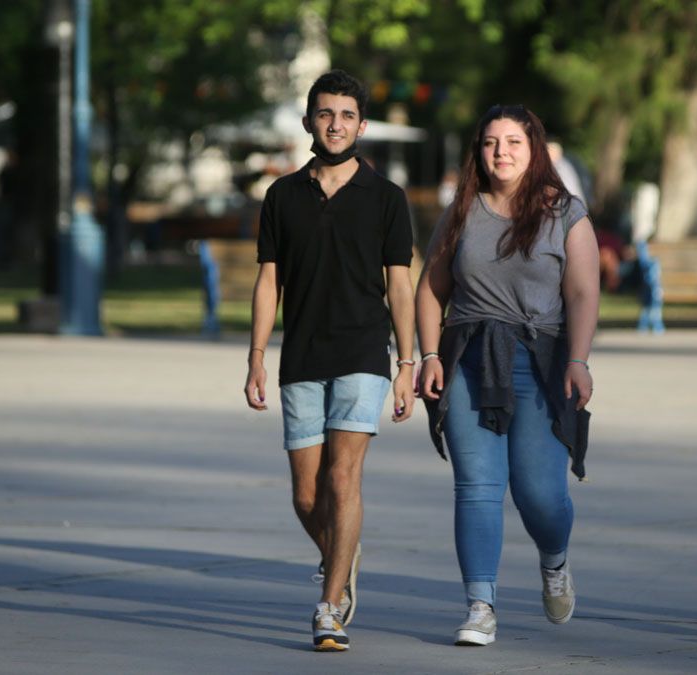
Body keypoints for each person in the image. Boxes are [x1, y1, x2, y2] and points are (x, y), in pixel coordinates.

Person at [243, 69, 416, 652]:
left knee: (343, 479)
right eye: (325, 113)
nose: (335, 124)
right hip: (300, 357)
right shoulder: (282, 196)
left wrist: (408, 363)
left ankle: (329, 604)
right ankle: (343, 553)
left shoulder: (388, 199)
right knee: (306, 496)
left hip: (364, 353)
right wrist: (255, 357)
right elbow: (269, 282)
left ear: (361, 125)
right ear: (309, 121)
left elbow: (400, 286)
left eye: (346, 115)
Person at [416, 104, 599, 646]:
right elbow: (430, 289)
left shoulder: (565, 211)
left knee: (540, 494)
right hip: (470, 359)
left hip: (541, 362)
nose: (502, 152)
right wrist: (429, 355)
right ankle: (480, 605)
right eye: (492, 142)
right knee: (477, 486)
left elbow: (584, 291)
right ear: (479, 150)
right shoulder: (461, 213)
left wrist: (579, 359)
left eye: (513, 142)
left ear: (533, 147)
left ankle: (554, 559)